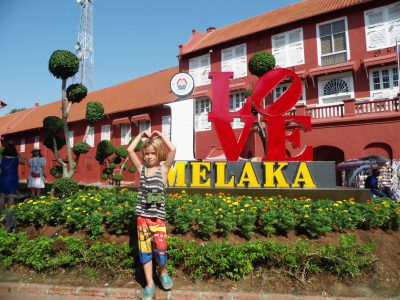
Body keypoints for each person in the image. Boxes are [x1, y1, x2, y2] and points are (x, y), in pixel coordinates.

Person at [127, 130, 176, 300]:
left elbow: (173, 150)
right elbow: (129, 151)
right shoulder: (141, 170)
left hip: (158, 220)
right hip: (142, 218)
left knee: (161, 251)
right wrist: (141, 135)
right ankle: (149, 284)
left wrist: (161, 137)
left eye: (153, 153)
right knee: (145, 252)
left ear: (159, 154)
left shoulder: (163, 169)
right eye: (146, 154)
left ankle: (163, 273)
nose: (149, 157)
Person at [0, 144, 22, 214]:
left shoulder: (1, 159)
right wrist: (19, 154)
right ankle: (9, 213)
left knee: (2, 196)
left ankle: (1, 212)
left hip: (3, 178)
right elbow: (23, 162)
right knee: (11, 196)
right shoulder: (17, 159)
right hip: (13, 179)